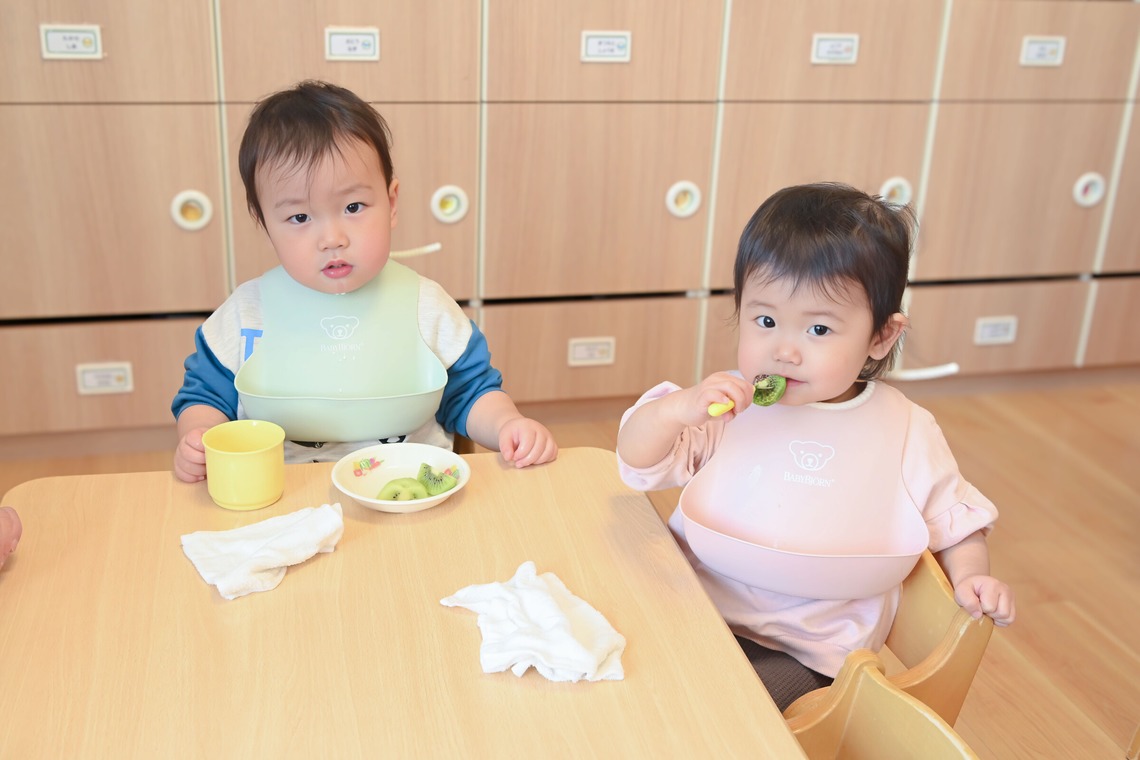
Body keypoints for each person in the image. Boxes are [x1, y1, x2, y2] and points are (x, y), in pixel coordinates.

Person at [615, 182, 1015, 712]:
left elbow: (958, 524)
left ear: (881, 336)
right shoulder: (728, 405)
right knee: (621, 684)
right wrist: (675, 410)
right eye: (765, 320)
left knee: (722, 716)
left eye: (820, 328)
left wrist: (971, 577)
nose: (784, 350)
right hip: (690, 607)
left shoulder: (905, 430)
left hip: (810, 651)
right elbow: (637, 464)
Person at [172, 80, 557, 482]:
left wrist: (507, 425)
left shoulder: (426, 307)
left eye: (354, 206)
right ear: (265, 223)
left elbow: (471, 392)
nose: (332, 239)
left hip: (408, 492)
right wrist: (198, 437)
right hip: (284, 500)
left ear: (391, 203)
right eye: (300, 218)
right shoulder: (246, 314)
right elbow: (204, 396)